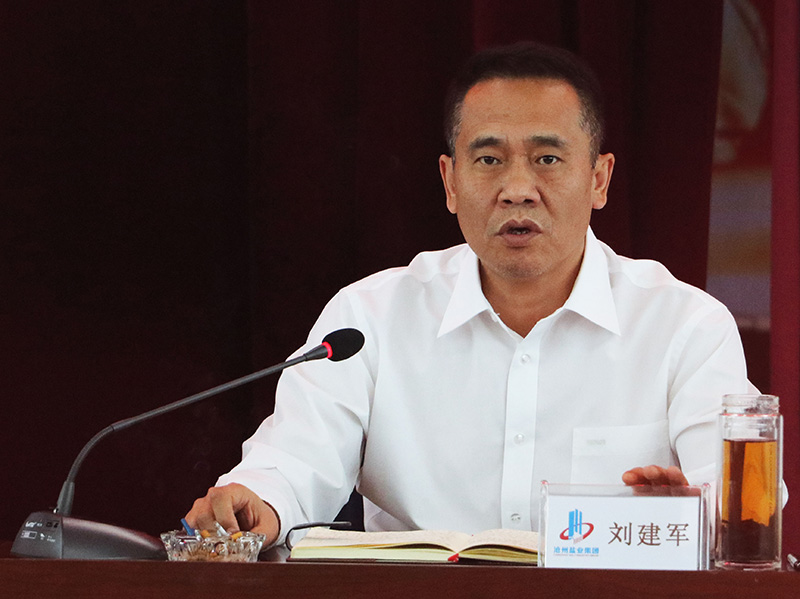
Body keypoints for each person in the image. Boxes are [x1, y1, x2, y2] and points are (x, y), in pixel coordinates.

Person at [186, 42, 754, 547]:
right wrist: (255, 503)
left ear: (599, 179)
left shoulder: (684, 326)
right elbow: (291, 464)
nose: (517, 190)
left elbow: (741, 506)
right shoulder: (369, 319)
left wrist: (691, 517)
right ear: (450, 182)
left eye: (547, 159)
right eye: (488, 160)